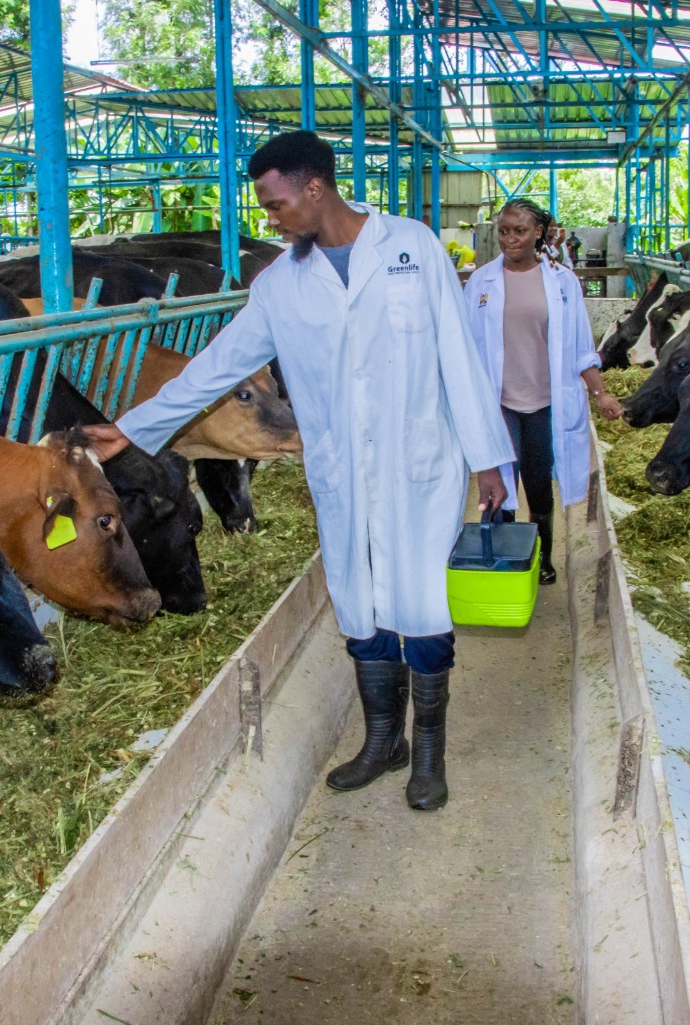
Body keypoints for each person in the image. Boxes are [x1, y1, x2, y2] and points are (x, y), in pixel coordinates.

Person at [82, 132, 513, 812]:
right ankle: (382, 741)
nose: (270, 219)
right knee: (358, 602)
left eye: (275, 204)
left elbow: (460, 353)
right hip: (341, 471)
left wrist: (489, 457)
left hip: (422, 465)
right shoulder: (280, 285)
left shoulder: (412, 247)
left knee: (422, 604)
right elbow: (218, 367)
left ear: (315, 190)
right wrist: (133, 426)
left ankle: (427, 752)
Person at [463, 199, 622, 585]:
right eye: (503, 231)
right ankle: (501, 555)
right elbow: (463, 347)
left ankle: (541, 555)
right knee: (499, 483)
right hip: (498, 403)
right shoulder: (480, 282)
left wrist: (600, 393)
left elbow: (582, 346)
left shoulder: (562, 281)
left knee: (537, 483)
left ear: (539, 233)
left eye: (519, 231)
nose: (510, 239)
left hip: (545, 402)